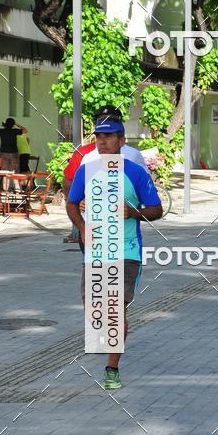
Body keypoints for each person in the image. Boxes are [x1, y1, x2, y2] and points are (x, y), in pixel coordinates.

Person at [66, 117, 162, 390]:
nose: (102, 142)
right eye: (98, 137)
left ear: (122, 141)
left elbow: (157, 210)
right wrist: (82, 227)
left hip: (127, 250)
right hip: (95, 250)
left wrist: (135, 212)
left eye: (109, 137)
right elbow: (72, 203)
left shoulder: (135, 173)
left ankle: (112, 367)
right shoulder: (86, 170)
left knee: (115, 308)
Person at [63, 106, 148, 244]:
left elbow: (146, 191)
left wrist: (133, 210)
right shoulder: (85, 155)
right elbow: (69, 183)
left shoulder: (133, 155)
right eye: (100, 121)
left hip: (124, 231)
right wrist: (78, 204)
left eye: (110, 121)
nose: (105, 124)